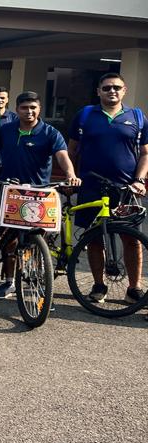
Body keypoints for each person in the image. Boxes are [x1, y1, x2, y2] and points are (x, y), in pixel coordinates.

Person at [0, 91, 79, 300]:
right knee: (9, 239)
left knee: (36, 239)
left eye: (33, 107)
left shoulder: (51, 133)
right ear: (17, 110)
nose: (29, 112)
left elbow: (63, 156)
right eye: (24, 108)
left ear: (39, 109)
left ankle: (35, 280)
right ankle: (8, 281)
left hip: (39, 193)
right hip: (10, 191)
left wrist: (71, 175)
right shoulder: (5, 130)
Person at [67, 72, 148, 304]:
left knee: (131, 240)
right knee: (94, 238)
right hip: (91, 187)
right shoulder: (84, 116)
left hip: (126, 189)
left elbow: (145, 154)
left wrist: (139, 180)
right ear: (98, 91)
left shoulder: (138, 117)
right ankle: (99, 285)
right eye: (106, 88)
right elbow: (71, 152)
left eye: (116, 87)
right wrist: (71, 178)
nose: (111, 91)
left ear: (124, 91)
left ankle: (134, 288)